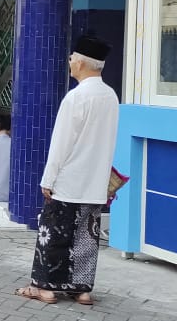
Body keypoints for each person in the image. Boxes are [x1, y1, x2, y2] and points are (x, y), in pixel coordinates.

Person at [14, 34, 119, 306]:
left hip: (69, 180)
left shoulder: (76, 97)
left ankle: (45, 288)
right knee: (86, 237)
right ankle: (81, 290)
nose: (69, 63)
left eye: (72, 58)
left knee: (53, 235)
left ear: (82, 63)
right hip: (95, 183)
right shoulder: (110, 96)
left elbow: (60, 144)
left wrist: (48, 178)